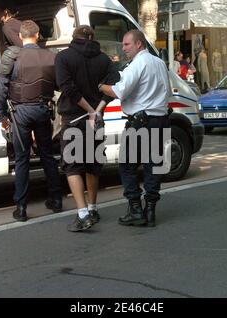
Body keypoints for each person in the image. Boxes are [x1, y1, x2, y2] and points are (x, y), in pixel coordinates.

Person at [99, 30, 171, 228]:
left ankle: (136, 209)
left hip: (140, 122)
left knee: (127, 165)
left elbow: (118, 91)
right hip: (160, 119)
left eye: (126, 45)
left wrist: (101, 86)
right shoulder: (159, 63)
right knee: (153, 166)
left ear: (139, 44)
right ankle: (150, 211)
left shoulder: (138, 64)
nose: (123, 49)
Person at [0, 20, 63, 222]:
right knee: (47, 156)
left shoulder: (12, 57)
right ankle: (56, 200)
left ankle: (22, 207)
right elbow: (59, 85)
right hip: (43, 110)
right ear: (38, 34)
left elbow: (2, 90)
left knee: (22, 159)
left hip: (20, 114)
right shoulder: (51, 57)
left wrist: (2, 116)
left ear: (21, 35)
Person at [55, 25, 119, 232]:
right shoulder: (104, 59)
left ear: (74, 38)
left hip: (74, 119)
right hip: (96, 120)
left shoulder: (63, 58)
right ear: (92, 38)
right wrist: (97, 110)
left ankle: (82, 214)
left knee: (72, 166)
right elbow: (114, 86)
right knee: (93, 164)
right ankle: (93, 208)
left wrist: (89, 110)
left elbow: (67, 88)